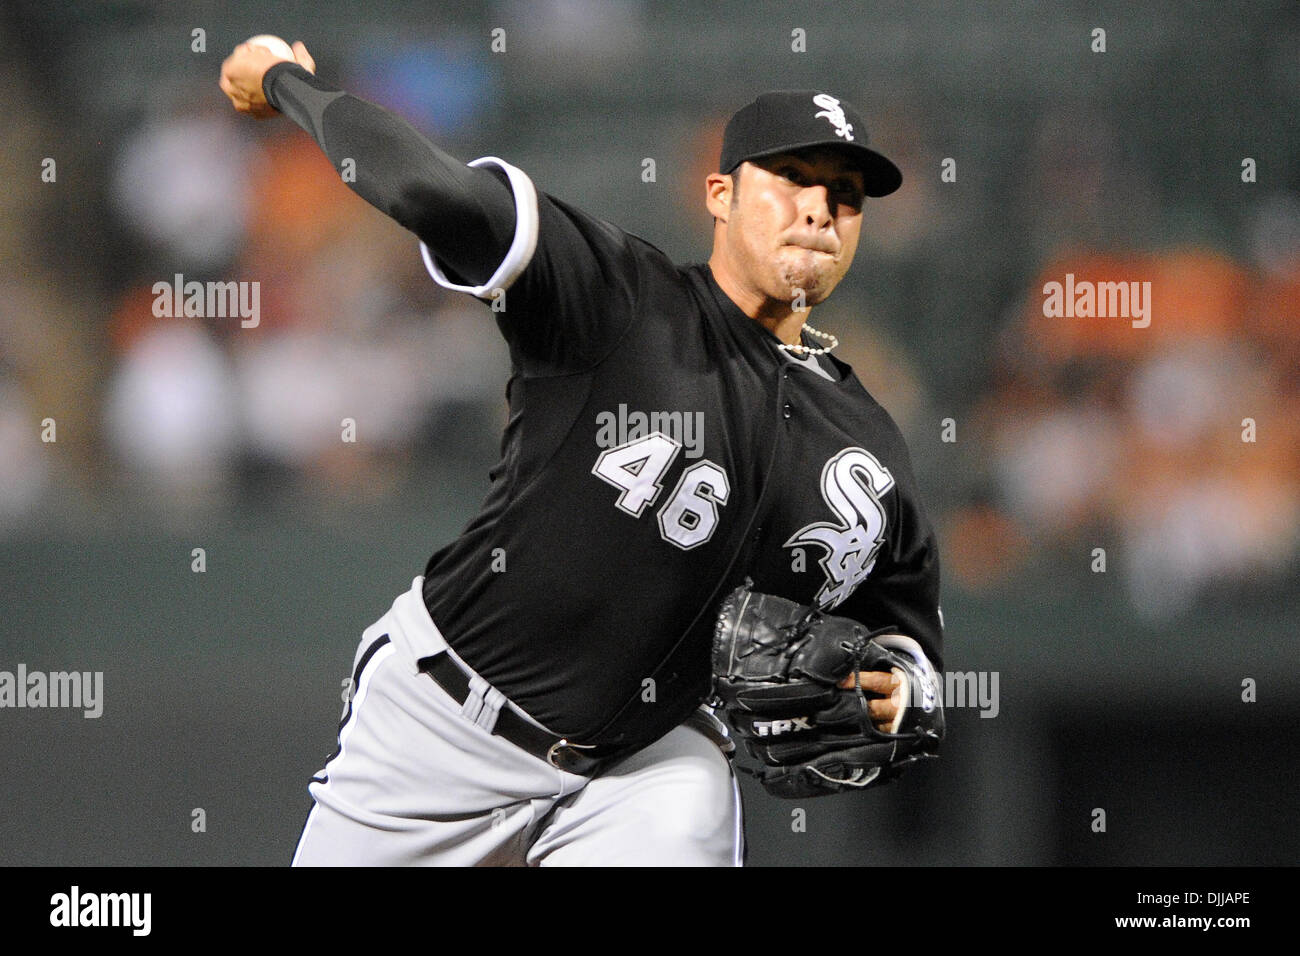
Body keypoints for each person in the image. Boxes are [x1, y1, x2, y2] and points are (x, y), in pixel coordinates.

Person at [220, 39, 944, 866]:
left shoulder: (868, 447)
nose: (819, 209)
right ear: (719, 193)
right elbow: (429, 189)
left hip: (648, 763)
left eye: (845, 196)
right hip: (443, 722)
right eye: (791, 181)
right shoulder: (618, 298)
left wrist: (904, 687)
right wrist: (288, 87)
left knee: (688, 795)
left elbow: (906, 635)